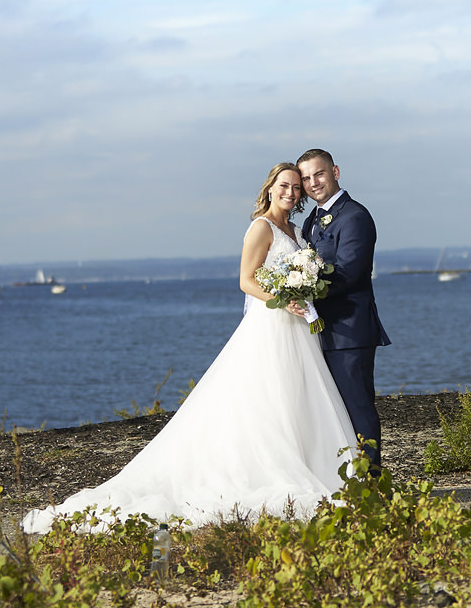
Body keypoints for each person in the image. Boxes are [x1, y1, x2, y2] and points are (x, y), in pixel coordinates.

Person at [21, 163, 357, 534]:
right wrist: (284, 297)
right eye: (285, 185)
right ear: (270, 187)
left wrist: (303, 292)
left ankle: (310, 462)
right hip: (272, 325)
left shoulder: (295, 230)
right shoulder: (261, 227)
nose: (291, 192)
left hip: (297, 330)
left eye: (296, 187)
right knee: (268, 398)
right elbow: (246, 281)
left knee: (299, 398)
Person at [297, 148, 391, 474]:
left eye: (319, 174)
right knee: (330, 411)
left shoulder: (355, 217)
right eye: (306, 178)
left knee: (358, 408)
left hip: (350, 331)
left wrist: (303, 290)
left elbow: (350, 272)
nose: (313, 183)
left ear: (335, 172)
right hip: (320, 332)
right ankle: (344, 478)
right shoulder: (311, 220)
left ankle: (371, 479)